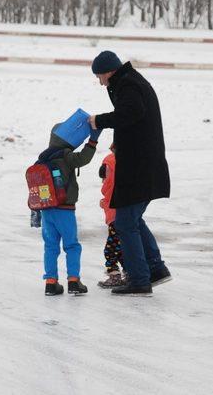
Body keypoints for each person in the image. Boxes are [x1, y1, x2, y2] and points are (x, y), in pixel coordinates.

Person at [88, 51, 172, 296]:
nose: (100, 82)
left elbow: (131, 113)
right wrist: (120, 141)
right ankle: (155, 269)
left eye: (99, 76)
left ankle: (139, 279)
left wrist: (99, 120)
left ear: (108, 72)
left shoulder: (128, 85)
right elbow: (135, 120)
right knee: (132, 219)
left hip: (139, 166)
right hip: (142, 162)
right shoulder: (129, 81)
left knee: (124, 222)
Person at [38, 123, 101, 296]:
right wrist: (93, 141)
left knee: (50, 246)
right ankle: (73, 281)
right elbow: (83, 159)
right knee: (72, 245)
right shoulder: (65, 155)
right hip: (64, 210)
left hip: (46, 210)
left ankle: (51, 283)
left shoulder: (42, 158)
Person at [97, 143, 126, 288]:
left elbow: (109, 185)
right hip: (122, 215)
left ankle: (114, 276)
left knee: (110, 250)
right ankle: (130, 273)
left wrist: (105, 202)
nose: (103, 181)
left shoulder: (110, 161)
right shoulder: (125, 162)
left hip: (115, 219)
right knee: (121, 249)